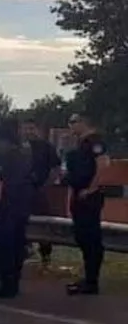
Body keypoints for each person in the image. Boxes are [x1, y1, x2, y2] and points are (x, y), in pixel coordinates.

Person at [64, 112, 109, 296]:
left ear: (84, 122)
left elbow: (103, 165)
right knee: (82, 237)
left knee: (91, 238)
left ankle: (92, 281)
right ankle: (87, 278)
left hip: (89, 197)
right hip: (78, 195)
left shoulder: (95, 142)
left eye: (73, 122)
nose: (70, 126)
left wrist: (91, 189)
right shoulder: (80, 144)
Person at [0, 120, 32, 298]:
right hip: (22, 205)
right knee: (16, 245)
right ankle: (12, 283)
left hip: (8, 206)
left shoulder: (6, 156)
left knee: (5, 246)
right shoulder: (24, 153)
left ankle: (7, 285)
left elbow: (0, 182)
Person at [21, 118, 62, 266]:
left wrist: (47, 184)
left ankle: (45, 255)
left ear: (37, 129)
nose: (28, 132)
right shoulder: (19, 147)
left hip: (40, 190)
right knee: (21, 221)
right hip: (21, 191)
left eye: (32, 128)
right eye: (26, 128)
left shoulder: (46, 147)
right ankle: (24, 250)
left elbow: (56, 167)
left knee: (43, 223)